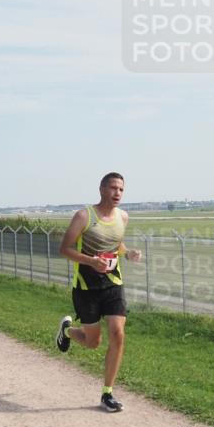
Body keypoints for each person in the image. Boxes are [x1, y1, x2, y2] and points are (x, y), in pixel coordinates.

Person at [54, 173, 142, 413]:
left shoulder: (123, 217)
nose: (117, 193)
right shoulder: (84, 216)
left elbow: (116, 243)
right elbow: (65, 249)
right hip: (86, 286)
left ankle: (107, 393)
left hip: (113, 283)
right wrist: (91, 262)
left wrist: (128, 253)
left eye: (121, 189)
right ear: (102, 189)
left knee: (118, 333)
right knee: (93, 342)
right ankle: (68, 331)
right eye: (113, 188)